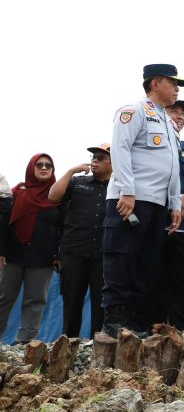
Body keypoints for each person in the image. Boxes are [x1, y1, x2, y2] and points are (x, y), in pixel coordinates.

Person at [101, 64, 184, 337]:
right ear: (156, 83)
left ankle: (135, 322)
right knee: (121, 259)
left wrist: (174, 203)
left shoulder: (169, 123)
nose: (176, 89)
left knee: (145, 263)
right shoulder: (133, 111)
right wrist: (127, 190)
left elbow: (172, 166)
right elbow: (120, 149)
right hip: (131, 199)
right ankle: (115, 321)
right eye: (173, 83)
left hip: (156, 204)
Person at [149, 99, 184, 331]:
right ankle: (152, 326)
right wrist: (172, 201)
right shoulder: (153, 143)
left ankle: (180, 328)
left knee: (182, 279)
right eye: (174, 112)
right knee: (154, 276)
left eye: (182, 114)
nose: (179, 117)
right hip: (157, 220)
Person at [48, 143, 112, 338]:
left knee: (101, 304)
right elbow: (52, 196)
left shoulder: (120, 188)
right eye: (94, 156)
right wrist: (71, 170)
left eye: (102, 157)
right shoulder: (77, 182)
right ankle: (67, 346)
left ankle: (96, 348)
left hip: (104, 254)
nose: (95, 160)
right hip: (74, 251)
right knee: (72, 302)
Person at [0, 154, 60, 343]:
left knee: (35, 302)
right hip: (13, 255)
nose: (44, 168)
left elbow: (65, 227)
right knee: (3, 298)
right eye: (39, 164)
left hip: (42, 258)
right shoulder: (17, 192)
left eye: (48, 165)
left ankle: (23, 343)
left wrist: (59, 255)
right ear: (31, 168)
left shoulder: (58, 195)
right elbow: (4, 224)